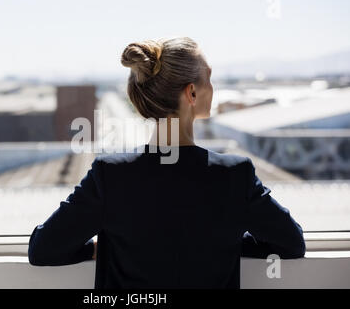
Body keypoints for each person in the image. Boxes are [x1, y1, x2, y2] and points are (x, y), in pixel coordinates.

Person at [28, 36, 305, 288]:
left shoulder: (110, 175)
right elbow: (291, 244)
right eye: (208, 78)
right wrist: (226, 241)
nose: (213, 87)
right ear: (192, 93)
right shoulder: (236, 175)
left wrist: (97, 248)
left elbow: (43, 249)